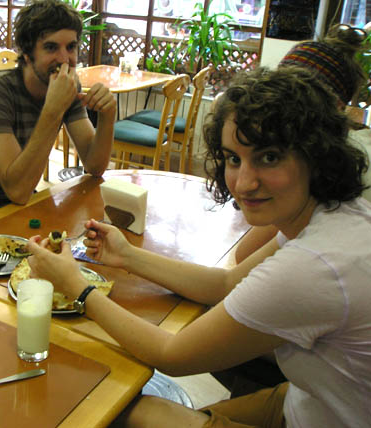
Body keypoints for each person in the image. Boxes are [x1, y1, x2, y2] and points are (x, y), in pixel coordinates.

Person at [26, 67, 371, 427]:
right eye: (234, 158)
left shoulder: (314, 265)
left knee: (119, 409)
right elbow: (226, 284)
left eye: (269, 157)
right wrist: (127, 255)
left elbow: (172, 355)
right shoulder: (334, 216)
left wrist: (78, 288)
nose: (244, 182)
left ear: (316, 154)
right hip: (306, 402)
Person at [0, 0, 116, 226]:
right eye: (51, 47)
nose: (65, 59)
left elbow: (95, 167)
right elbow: (17, 191)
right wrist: (53, 110)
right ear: (27, 54)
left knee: (90, 236)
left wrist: (107, 116)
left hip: (25, 202)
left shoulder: (68, 86)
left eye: (71, 47)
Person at [234, 23, 371, 263]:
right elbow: (246, 256)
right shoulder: (325, 147)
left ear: (335, 106)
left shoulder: (337, 163)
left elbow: (245, 260)